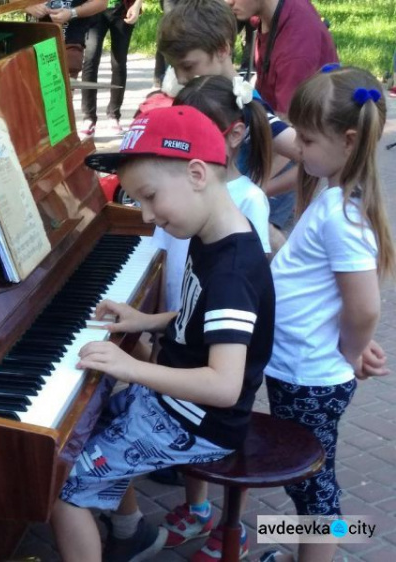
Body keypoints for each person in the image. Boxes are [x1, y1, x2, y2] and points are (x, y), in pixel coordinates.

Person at [49, 105, 276, 562]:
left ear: (196, 174)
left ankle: (102, 516)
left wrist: (132, 367)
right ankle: (129, 528)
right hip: (178, 408)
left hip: (198, 422)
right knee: (85, 425)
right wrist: (145, 321)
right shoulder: (212, 231)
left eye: (151, 197)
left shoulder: (233, 269)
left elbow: (224, 385)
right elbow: (199, 317)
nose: (148, 217)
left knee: (61, 488)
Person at [259, 65, 394, 562]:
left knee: (314, 487)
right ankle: (306, 550)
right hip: (301, 369)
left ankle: (319, 553)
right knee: (309, 481)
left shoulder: (342, 215)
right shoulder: (330, 194)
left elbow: (364, 305)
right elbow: (332, 296)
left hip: (309, 376)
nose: (297, 149)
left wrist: (352, 351)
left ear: (349, 139)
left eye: (308, 141)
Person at [151, 74, 273, 562]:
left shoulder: (245, 203)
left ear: (232, 135)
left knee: (234, 441)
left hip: (230, 345)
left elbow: (242, 291)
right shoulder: (185, 198)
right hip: (191, 327)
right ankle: (199, 509)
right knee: (196, 428)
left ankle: (239, 531)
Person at [158, 0, 299, 251]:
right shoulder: (199, 95)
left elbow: (308, 154)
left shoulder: (244, 104)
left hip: (229, 232)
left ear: (223, 49)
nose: (180, 77)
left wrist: (265, 188)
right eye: (174, 66)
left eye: (188, 66)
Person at [225, 0, 339, 238]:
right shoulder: (264, 15)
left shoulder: (296, 44)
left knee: (249, 228)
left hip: (298, 140)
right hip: (282, 130)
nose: (228, 2)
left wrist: (253, 188)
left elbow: (286, 129)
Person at [79, 0, 144, 136]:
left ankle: (114, 115)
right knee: (90, 59)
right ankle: (88, 117)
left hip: (122, 8)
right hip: (93, 9)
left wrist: (137, 5)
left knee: (119, 62)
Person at [26, 0, 108, 79]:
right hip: (37, 41)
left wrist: (72, 13)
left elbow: (102, 3)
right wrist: (29, 7)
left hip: (71, 42)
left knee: (63, 86)